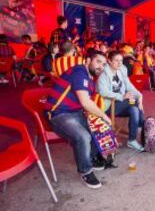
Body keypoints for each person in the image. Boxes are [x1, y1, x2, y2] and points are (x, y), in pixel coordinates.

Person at [45, 50, 109, 189]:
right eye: (98, 62)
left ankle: (91, 158)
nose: (101, 67)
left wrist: (97, 120)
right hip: (58, 114)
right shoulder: (80, 72)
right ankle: (85, 170)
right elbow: (86, 102)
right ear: (87, 60)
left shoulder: (89, 77)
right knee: (83, 136)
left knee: (96, 127)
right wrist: (103, 116)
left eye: (104, 64)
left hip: (75, 112)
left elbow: (86, 104)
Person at [97, 51, 144, 152]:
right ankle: (141, 126)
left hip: (121, 105)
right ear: (109, 61)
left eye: (121, 60)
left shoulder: (121, 71)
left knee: (134, 109)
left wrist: (140, 96)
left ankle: (132, 139)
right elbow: (102, 91)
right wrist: (121, 96)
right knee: (133, 101)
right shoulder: (103, 74)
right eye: (116, 60)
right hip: (109, 106)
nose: (120, 63)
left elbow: (129, 86)